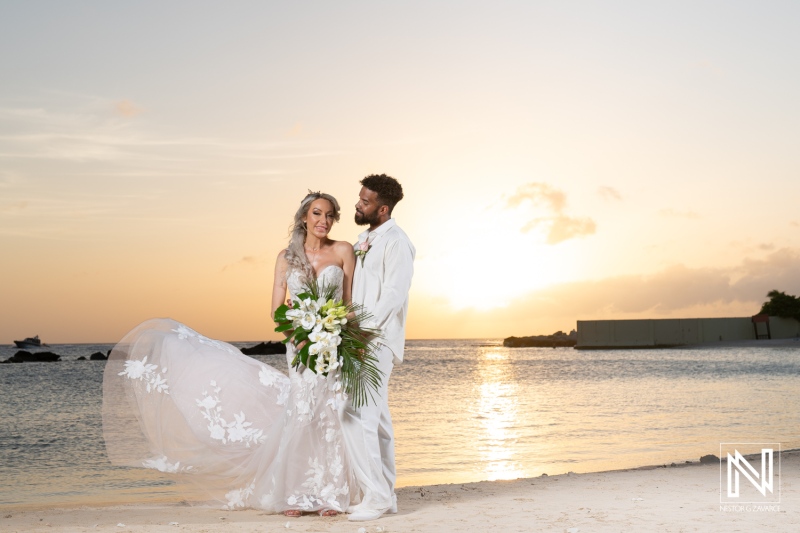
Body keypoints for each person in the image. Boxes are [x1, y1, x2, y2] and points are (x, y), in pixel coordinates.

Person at [102, 192, 358, 517]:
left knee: (328, 413)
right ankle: (294, 494)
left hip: (333, 345)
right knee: (302, 412)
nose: (324, 221)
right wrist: (302, 337)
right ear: (304, 218)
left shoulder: (343, 251)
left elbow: (348, 305)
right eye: (317, 213)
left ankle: (330, 495)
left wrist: (340, 334)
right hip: (301, 346)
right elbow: (277, 309)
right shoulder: (286, 257)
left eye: (330, 215)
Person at [342, 174, 415, 522]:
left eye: (365, 201)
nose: (358, 204)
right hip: (359, 337)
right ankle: (387, 494)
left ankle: (376, 497)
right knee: (379, 420)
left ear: (382, 209)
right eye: (359, 198)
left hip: (375, 339)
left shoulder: (397, 242)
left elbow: (393, 295)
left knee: (359, 417)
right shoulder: (365, 238)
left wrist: (364, 333)